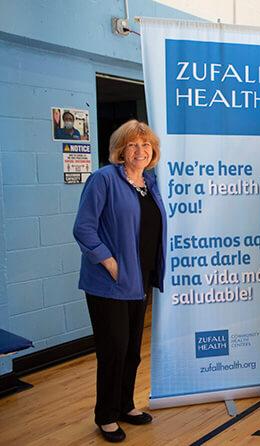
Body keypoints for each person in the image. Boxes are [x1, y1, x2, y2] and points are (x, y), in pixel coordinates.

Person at [73, 120, 166, 442]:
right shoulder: (104, 179)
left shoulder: (149, 183)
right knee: (113, 350)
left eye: (145, 145)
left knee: (131, 352)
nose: (140, 151)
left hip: (139, 281)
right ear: (120, 150)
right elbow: (83, 228)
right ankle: (106, 415)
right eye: (132, 145)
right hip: (109, 284)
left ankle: (126, 404)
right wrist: (112, 264)